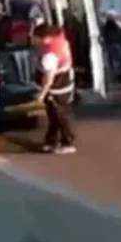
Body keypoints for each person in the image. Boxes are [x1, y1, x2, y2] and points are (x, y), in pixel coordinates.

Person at [31, 23, 77, 154]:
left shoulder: (49, 55)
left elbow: (48, 78)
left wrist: (41, 94)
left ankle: (67, 142)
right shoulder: (60, 41)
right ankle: (52, 141)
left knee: (59, 116)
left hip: (57, 89)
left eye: (34, 38)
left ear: (43, 38)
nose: (33, 41)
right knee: (54, 116)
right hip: (64, 84)